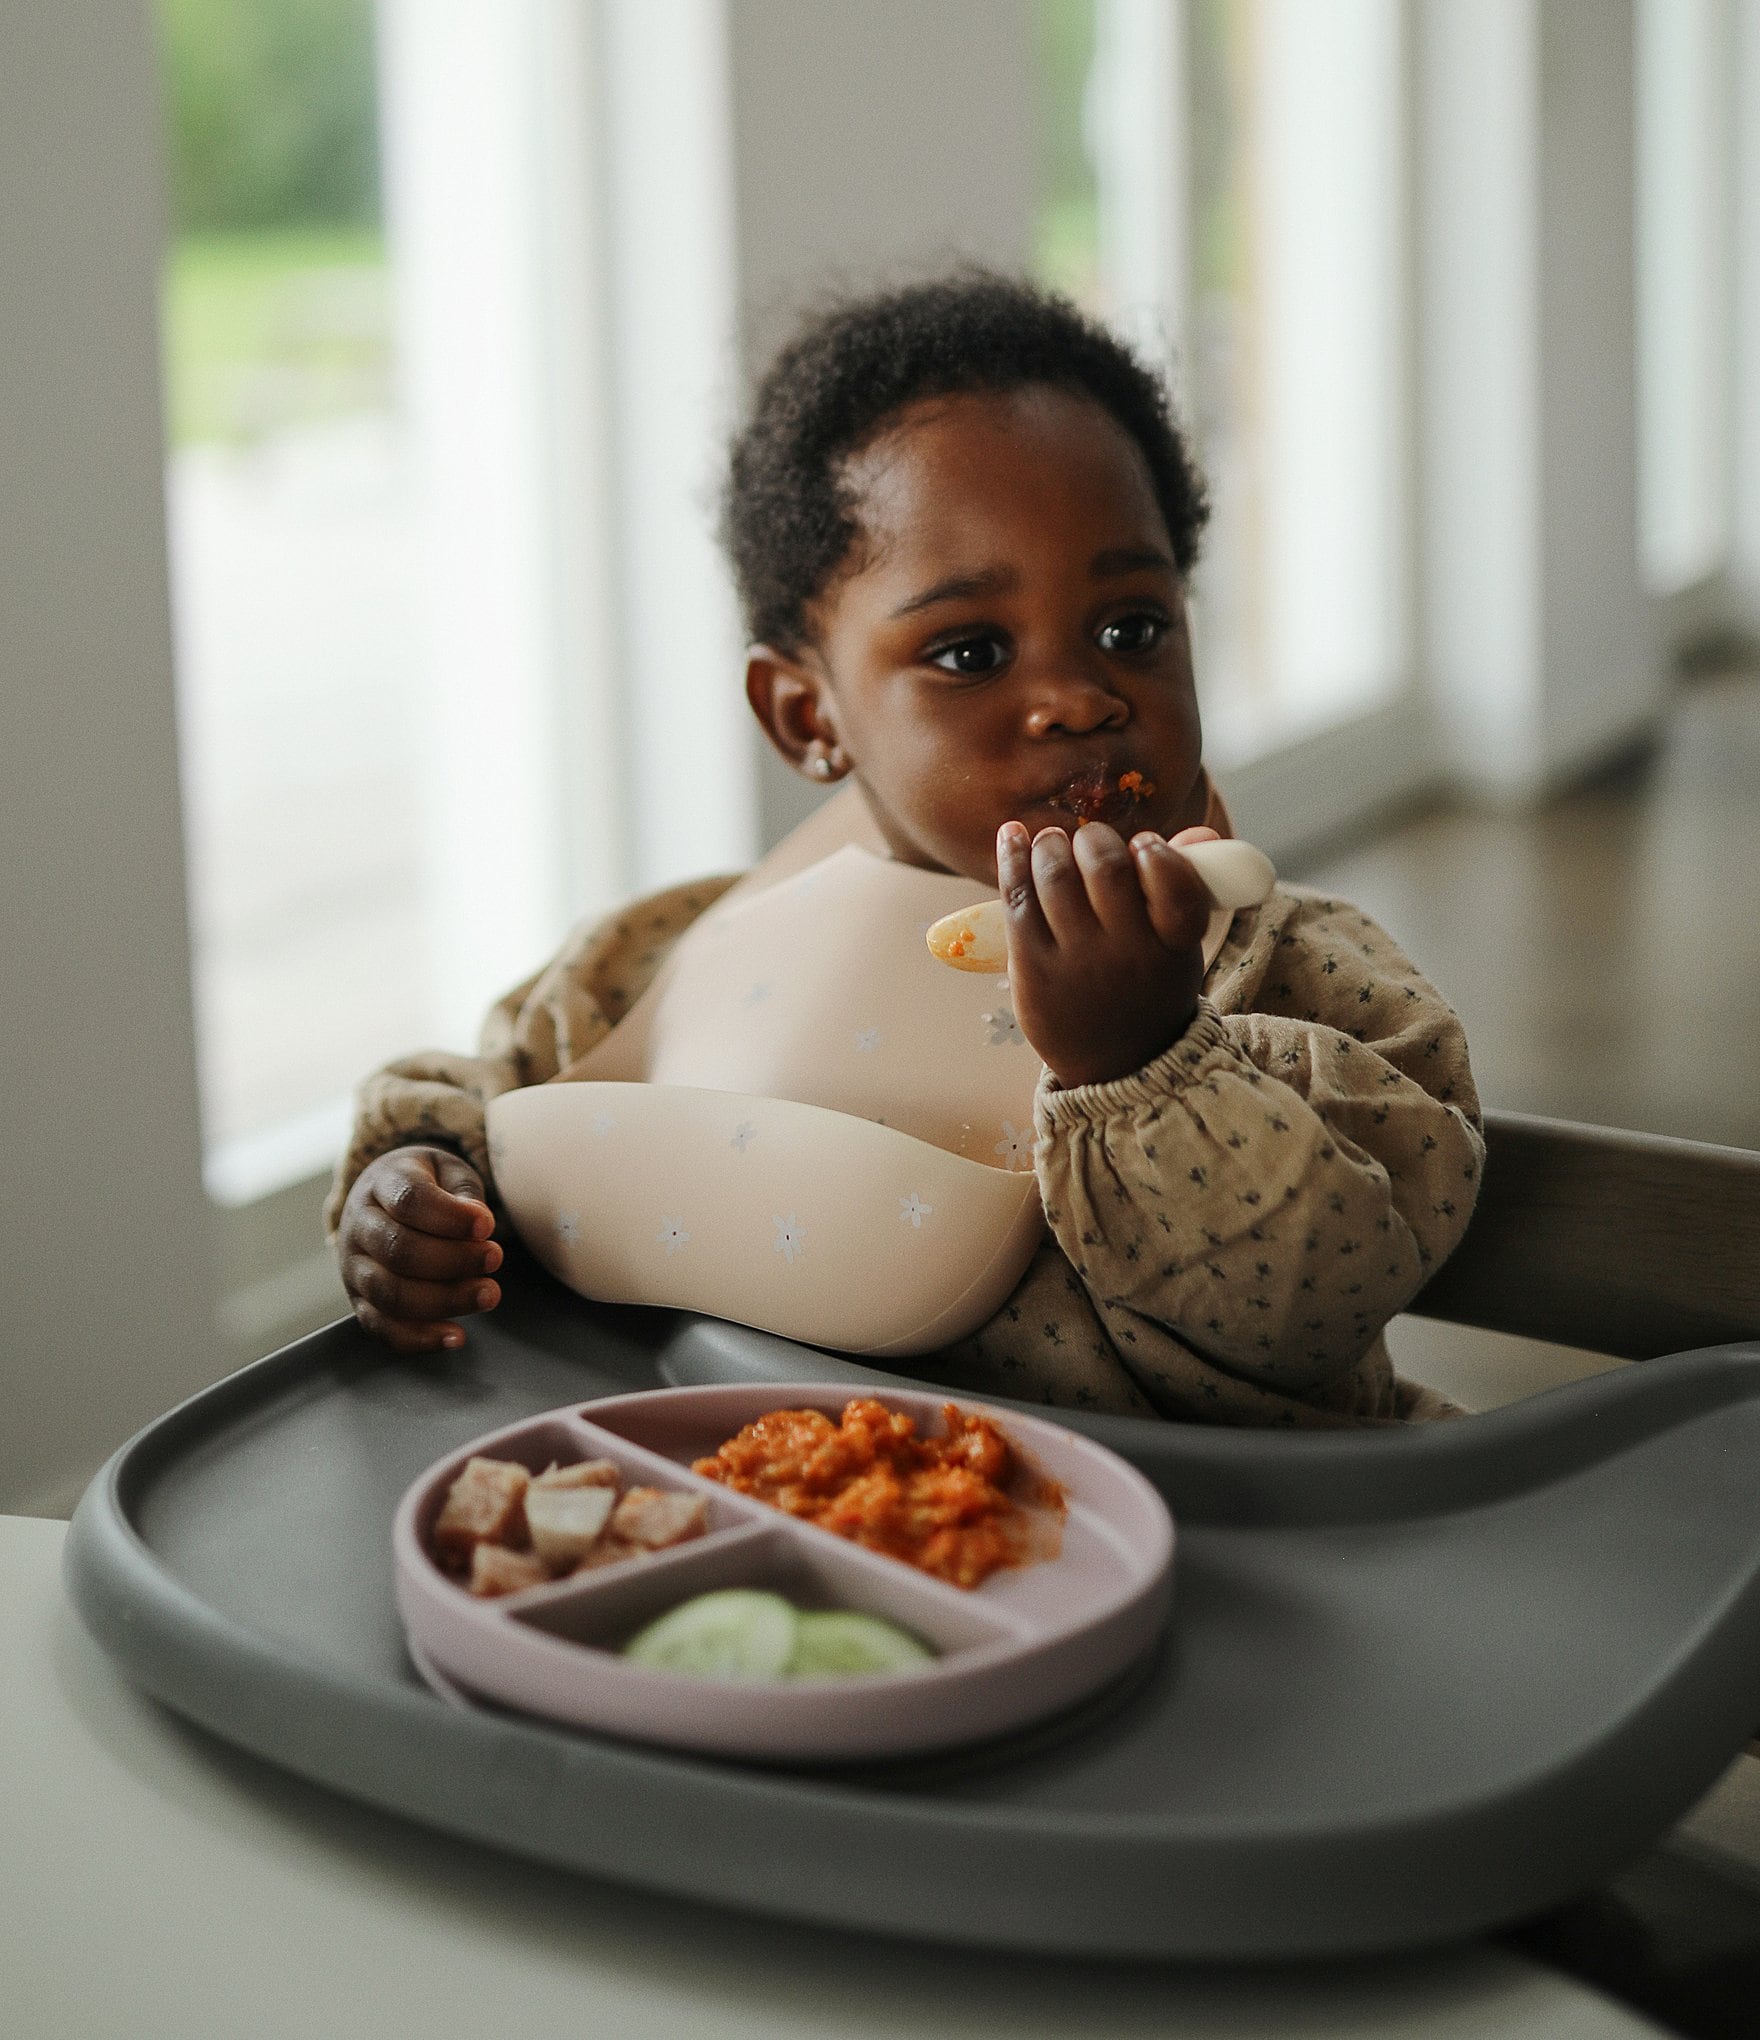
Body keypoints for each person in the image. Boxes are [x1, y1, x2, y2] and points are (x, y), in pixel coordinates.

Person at [328, 272, 1482, 1426]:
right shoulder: (661, 963)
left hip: (1238, 1546)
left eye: (1131, 630)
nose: (1077, 699)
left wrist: (1144, 1060)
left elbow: (1315, 1305)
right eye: (972, 653)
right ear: (805, 716)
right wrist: (417, 1193)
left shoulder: (1309, 977)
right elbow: (486, 1109)